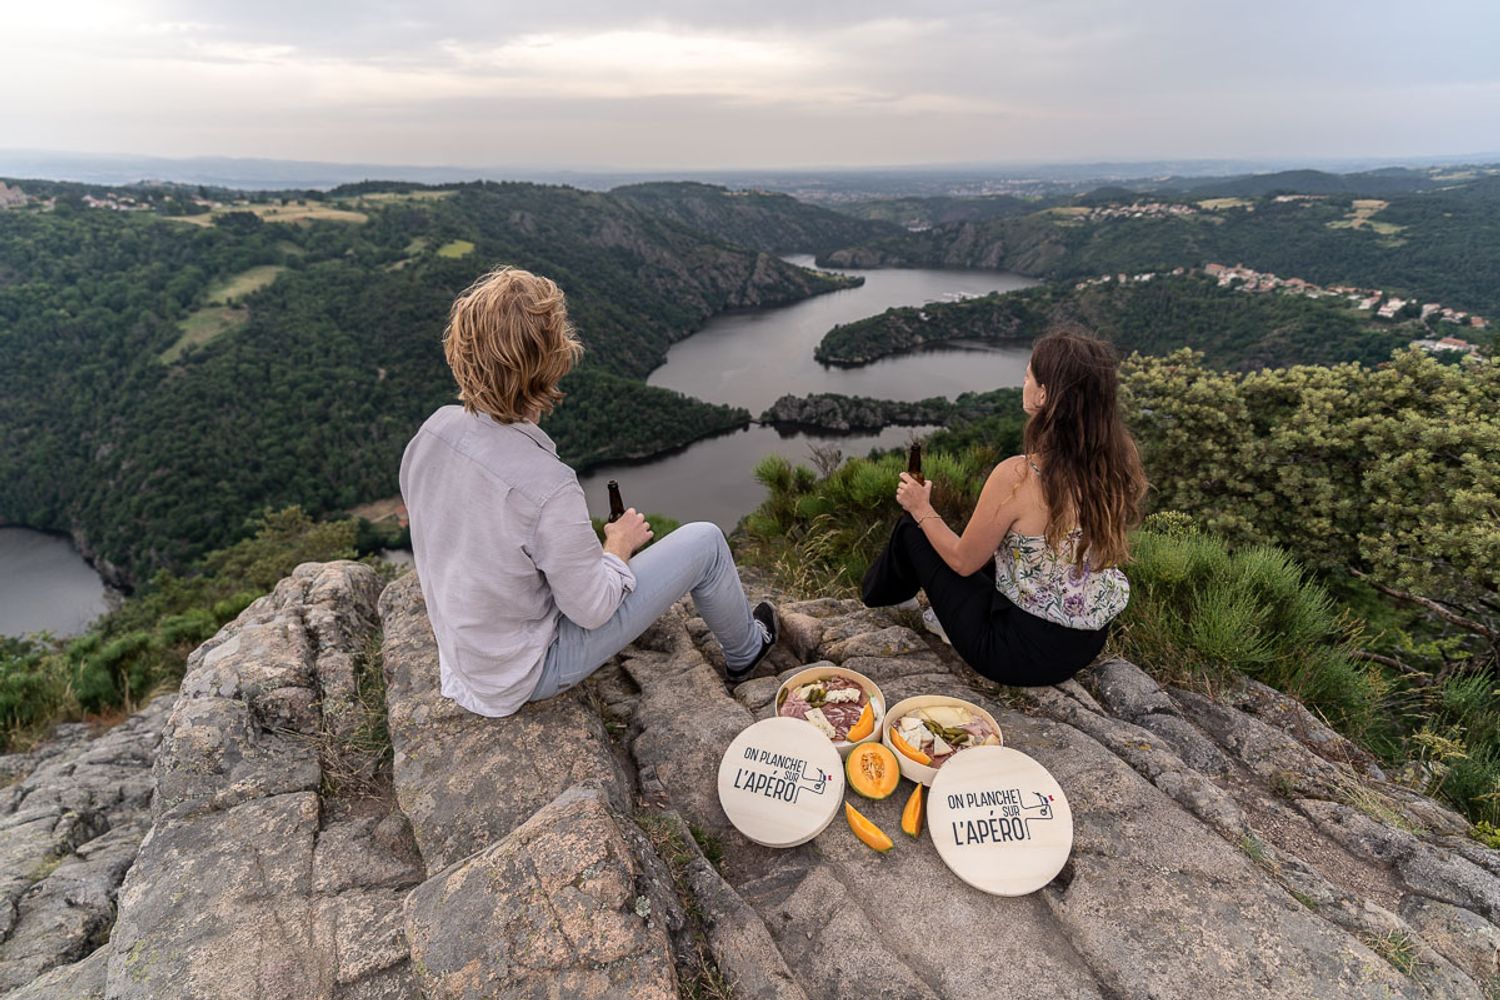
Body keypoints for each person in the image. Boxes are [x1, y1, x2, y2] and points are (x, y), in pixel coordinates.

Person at [399, 265, 777, 718]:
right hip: (522, 673)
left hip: (465, 656)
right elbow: (593, 609)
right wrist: (617, 547)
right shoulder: (547, 485)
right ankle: (748, 650)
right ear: (552, 363)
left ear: (460, 350)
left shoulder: (432, 433)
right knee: (708, 543)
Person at [860, 328, 1147, 686]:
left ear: (1044, 395)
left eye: (1028, 375)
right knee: (996, 552)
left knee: (912, 531)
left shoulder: (1019, 474)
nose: (1022, 381)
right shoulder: (1114, 462)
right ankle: (938, 611)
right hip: (1083, 644)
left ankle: (883, 601)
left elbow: (964, 562)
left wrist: (921, 508)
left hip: (1014, 656)